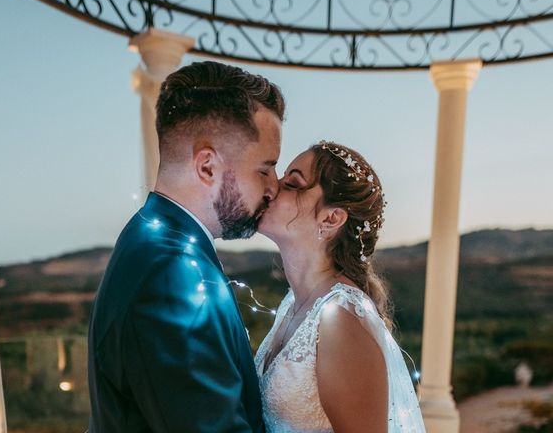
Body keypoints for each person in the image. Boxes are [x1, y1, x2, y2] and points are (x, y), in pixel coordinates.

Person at [87, 60, 285, 432]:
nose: (273, 187)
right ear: (207, 166)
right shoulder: (171, 276)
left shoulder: (150, 235)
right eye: (264, 169)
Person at [255, 141, 426, 433]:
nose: (272, 188)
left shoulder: (340, 318)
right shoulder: (291, 304)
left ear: (331, 218)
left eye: (293, 183)